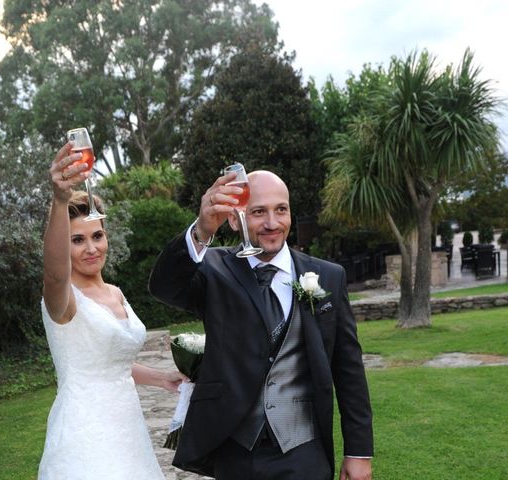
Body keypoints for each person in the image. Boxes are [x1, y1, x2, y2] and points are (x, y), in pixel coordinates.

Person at [149, 169, 373, 480]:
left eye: (281, 209)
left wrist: (358, 451)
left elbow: (348, 369)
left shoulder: (328, 276)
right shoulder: (213, 269)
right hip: (235, 451)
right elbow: (164, 287)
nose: (272, 223)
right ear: (234, 218)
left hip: (303, 450)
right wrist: (201, 230)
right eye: (258, 212)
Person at [38, 142, 186, 479]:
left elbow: (110, 363)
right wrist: (60, 200)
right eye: (77, 240)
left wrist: (163, 379)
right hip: (84, 439)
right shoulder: (63, 299)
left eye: (98, 235)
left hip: (128, 433)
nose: (91, 248)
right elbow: (54, 272)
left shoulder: (116, 293)